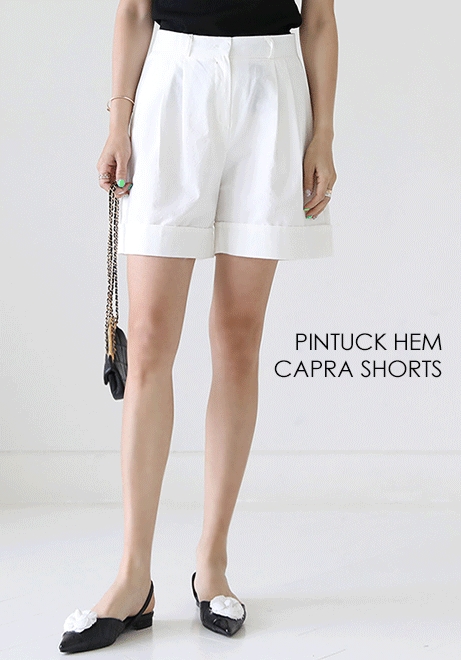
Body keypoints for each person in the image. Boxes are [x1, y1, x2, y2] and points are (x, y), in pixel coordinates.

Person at [59, 0, 337, 652]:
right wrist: (118, 123)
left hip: (272, 86)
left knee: (238, 336)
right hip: (174, 82)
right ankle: (134, 576)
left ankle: (212, 564)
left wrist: (322, 133)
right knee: (149, 338)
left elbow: (320, 18)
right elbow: (135, 9)